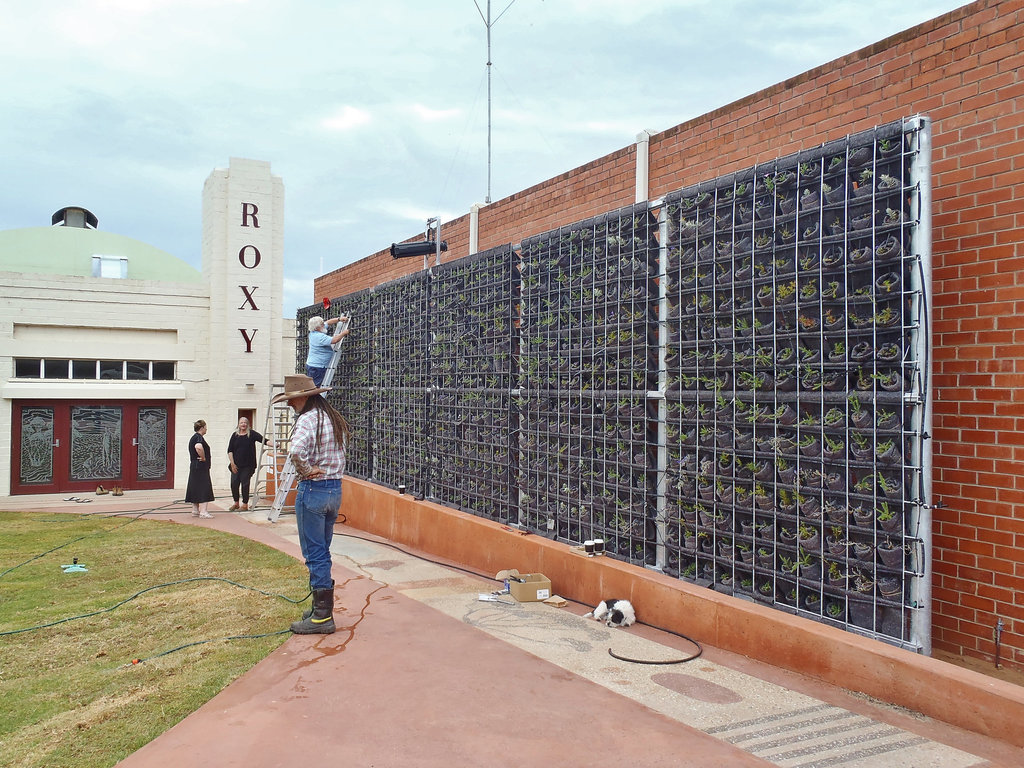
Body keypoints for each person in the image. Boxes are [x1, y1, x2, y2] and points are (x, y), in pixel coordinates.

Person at [272, 374, 350, 634]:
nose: (290, 405)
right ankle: (320, 608)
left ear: (304, 397)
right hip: (334, 490)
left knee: (314, 553)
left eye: (292, 400)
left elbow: (295, 451)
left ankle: (321, 617)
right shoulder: (331, 417)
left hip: (314, 491)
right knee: (323, 550)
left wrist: (305, 470)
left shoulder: (307, 420)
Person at [227, 417, 271, 511]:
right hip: (236, 465)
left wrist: (274, 444)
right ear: (238, 424)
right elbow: (230, 450)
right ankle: (236, 503)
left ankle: (245, 504)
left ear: (248, 424)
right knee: (234, 484)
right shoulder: (234, 435)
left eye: (245, 423)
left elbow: (264, 440)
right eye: (241, 422)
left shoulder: (252, 434)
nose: (243, 424)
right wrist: (232, 464)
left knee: (245, 484)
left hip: (248, 465)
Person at [305, 314, 350, 386]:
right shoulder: (318, 337)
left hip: (314, 365)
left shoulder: (313, 332)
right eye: (322, 325)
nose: (324, 325)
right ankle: (315, 397)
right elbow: (335, 340)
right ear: (317, 327)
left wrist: (339, 319)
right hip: (317, 367)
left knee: (313, 386)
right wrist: (344, 333)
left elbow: (328, 322)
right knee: (316, 388)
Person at [184, 419, 215, 518]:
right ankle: (203, 511)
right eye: (205, 427)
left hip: (194, 466)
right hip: (201, 466)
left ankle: (195, 510)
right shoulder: (198, 438)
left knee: (195, 486)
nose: (206, 429)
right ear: (202, 428)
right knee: (204, 487)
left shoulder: (193, 437)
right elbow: (198, 447)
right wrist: (203, 457)